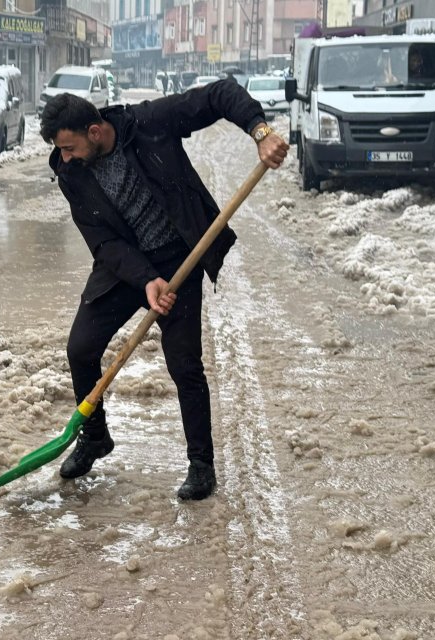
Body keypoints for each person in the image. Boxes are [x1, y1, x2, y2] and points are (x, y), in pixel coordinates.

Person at [39, 82, 289, 501]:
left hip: (179, 258)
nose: (64, 158)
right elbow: (102, 242)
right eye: (61, 151)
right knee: (80, 348)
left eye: (69, 147)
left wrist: (260, 132)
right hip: (124, 268)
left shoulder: (149, 123)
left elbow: (219, 95)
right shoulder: (71, 173)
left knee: (184, 365)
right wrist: (145, 279)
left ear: (95, 131)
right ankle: (95, 437)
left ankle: (201, 465)